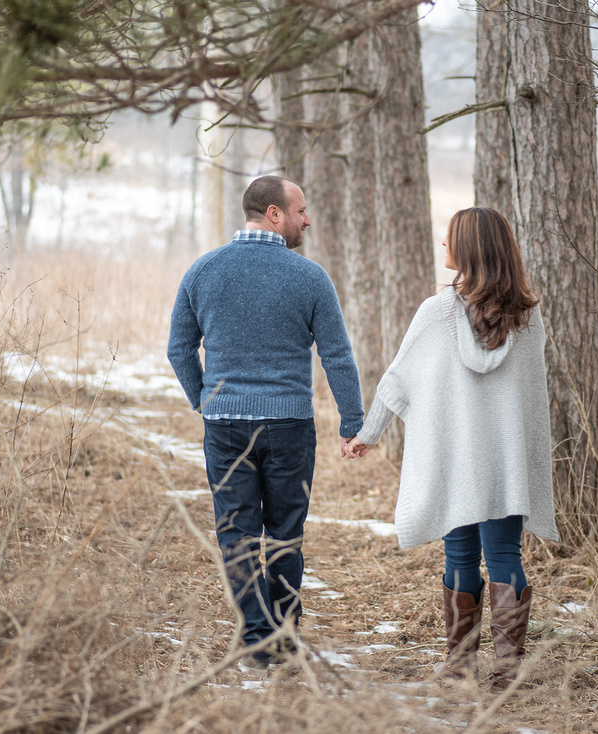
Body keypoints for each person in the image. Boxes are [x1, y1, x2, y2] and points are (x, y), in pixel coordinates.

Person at [344, 207, 557, 687]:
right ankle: (507, 672)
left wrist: (367, 434)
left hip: (455, 462)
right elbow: (531, 398)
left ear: (469, 248)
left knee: (459, 558)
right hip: (505, 462)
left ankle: (460, 667)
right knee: (506, 556)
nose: (444, 245)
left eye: (450, 239)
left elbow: (398, 380)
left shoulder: (437, 311)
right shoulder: (528, 315)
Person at [168, 175, 364, 670]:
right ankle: (280, 636)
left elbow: (178, 350)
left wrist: (206, 399)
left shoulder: (203, 271)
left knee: (235, 534)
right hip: (289, 427)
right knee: (284, 534)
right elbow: (337, 356)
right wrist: (352, 419)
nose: (307, 219)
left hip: (226, 425)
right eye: (300, 210)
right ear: (274, 214)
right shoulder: (310, 277)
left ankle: (258, 637)